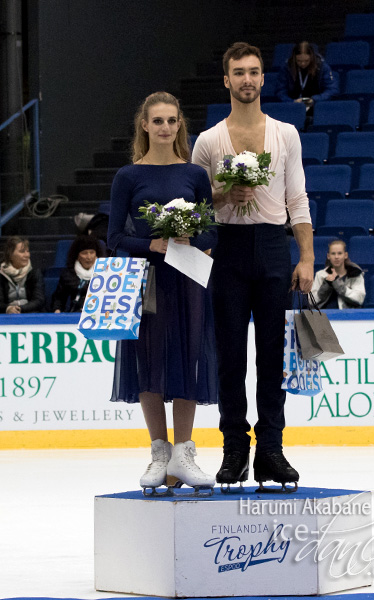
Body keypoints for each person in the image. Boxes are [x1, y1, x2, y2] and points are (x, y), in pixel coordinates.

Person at [192, 42, 314, 489]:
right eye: (238, 72)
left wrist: (306, 256)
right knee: (229, 358)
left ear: (263, 79)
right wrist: (225, 195)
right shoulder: (208, 141)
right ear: (226, 80)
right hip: (226, 249)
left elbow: (297, 198)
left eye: (254, 72)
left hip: (271, 246)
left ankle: (271, 450)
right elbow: (195, 208)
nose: (247, 79)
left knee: (271, 357)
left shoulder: (285, 134)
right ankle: (233, 449)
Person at [107, 92, 217, 491]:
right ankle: (159, 453)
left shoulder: (194, 174)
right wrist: (153, 244)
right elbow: (114, 236)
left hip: (188, 276)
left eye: (172, 121)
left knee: (189, 358)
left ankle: (184, 454)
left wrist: (194, 237)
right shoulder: (129, 176)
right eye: (158, 121)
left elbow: (211, 230)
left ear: (179, 125)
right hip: (147, 278)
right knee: (148, 361)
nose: (166, 128)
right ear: (145, 125)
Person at [275, 41, 339, 111]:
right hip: (292, 106)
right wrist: (291, 102)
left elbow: (332, 89)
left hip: (316, 105)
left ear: (312, 57)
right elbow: (280, 91)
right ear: (294, 58)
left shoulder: (321, 67)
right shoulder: (287, 67)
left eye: (306, 61)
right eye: (299, 61)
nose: (303, 64)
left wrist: (314, 99)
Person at [51, 235, 104, 312]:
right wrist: (57, 309)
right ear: (77, 255)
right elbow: (59, 298)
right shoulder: (68, 274)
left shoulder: (105, 273)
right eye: (84, 253)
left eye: (92, 252)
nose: (89, 257)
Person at [311, 239, 365, 309]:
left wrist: (338, 284)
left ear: (345, 255)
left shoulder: (355, 274)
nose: (336, 257)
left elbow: (359, 299)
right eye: (333, 253)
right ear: (328, 256)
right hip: (323, 316)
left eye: (339, 253)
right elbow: (312, 301)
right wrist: (326, 284)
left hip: (348, 316)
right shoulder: (321, 275)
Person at [0, 236, 45, 313]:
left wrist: (20, 309)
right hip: (6, 316)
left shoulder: (34, 272)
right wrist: (7, 309)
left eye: (27, 251)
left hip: (31, 314)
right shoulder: (1, 274)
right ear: (10, 254)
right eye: (22, 251)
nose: (27, 255)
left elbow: (39, 300)